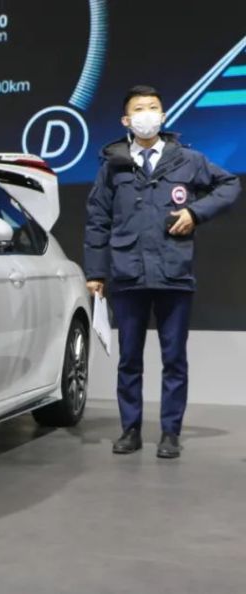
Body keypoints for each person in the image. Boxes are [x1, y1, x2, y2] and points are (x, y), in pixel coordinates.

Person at [84, 85, 240, 459]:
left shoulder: (187, 160)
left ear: (164, 115)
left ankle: (171, 433)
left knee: (174, 360)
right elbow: (97, 220)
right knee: (129, 359)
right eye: (139, 109)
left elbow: (229, 184)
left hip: (173, 272)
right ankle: (130, 429)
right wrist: (96, 273)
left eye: (153, 107)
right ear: (126, 120)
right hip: (127, 274)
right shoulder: (113, 165)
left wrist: (195, 213)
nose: (147, 114)